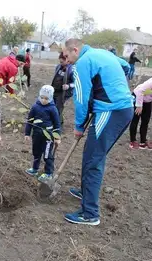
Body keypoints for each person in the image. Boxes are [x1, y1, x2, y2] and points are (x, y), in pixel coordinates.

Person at [62, 39, 134, 226]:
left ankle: (90, 213)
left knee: (94, 159)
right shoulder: (102, 53)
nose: (66, 59)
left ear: (75, 50)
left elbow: (81, 97)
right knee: (93, 153)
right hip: (124, 109)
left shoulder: (83, 63)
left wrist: (79, 126)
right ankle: (86, 191)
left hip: (110, 112)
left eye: (67, 55)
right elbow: (126, 67)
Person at [24, 85, 61, 181]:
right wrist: (27, 133)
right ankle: (35, 168)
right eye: (42, 98)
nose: (44, 100)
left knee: (47, 154)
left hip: (48, 136)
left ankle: (48, 173)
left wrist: (57, 137)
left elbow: (57, 124)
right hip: (36, 134)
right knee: (36, 152)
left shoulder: (52, 109)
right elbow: (30, 121)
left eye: (46, 98)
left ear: (51, 98)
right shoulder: (35, 106)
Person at [0, 54, 26, 123]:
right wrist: (11, 93)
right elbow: (10, 83)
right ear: (18, 60)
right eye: (21, 63)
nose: (21, 66)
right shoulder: (13, 67)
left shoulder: (7, 59)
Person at [51, 52, 75, 125]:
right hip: (55, 90)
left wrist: (69, 85)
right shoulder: (59, 66)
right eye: (60, 61)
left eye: (62, 62)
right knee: (53, 106)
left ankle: (57, 125)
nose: (60, 63)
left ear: (67, 60)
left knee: (58, 107)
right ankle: (59, 120)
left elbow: (76, 83)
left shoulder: (72, 69)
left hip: (63, 92)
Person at [129, 77, 152, 149]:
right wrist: (139, 105)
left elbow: (148, 92)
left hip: (147, 99)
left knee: (145, 120)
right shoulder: (150, 82)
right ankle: (133, 141)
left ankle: (143, 141)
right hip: (138, 96)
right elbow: (140, 91)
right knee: (135, 119)